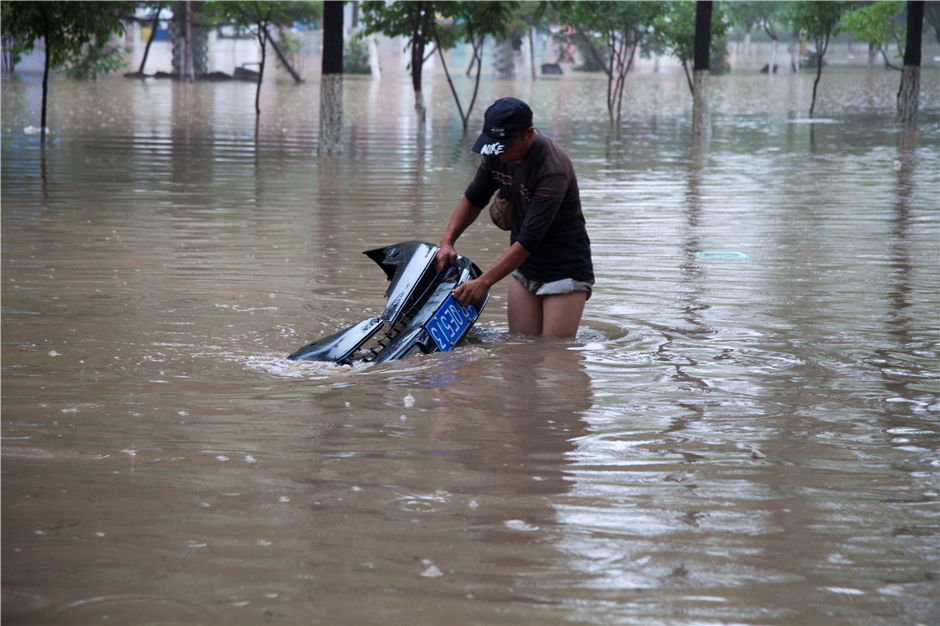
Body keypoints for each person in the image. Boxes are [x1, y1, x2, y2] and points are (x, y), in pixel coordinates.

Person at [434, 97, 594, 338]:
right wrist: (447, 242)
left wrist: (483, 282)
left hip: (564, 270)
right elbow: (474, 199)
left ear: (528, 133)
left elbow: (529, 239)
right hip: (524, 267)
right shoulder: (495, 154)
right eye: (495, 144)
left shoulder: (553, 168)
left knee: (555, 358)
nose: (500, 152)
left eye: (506, 145)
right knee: (520, 349)